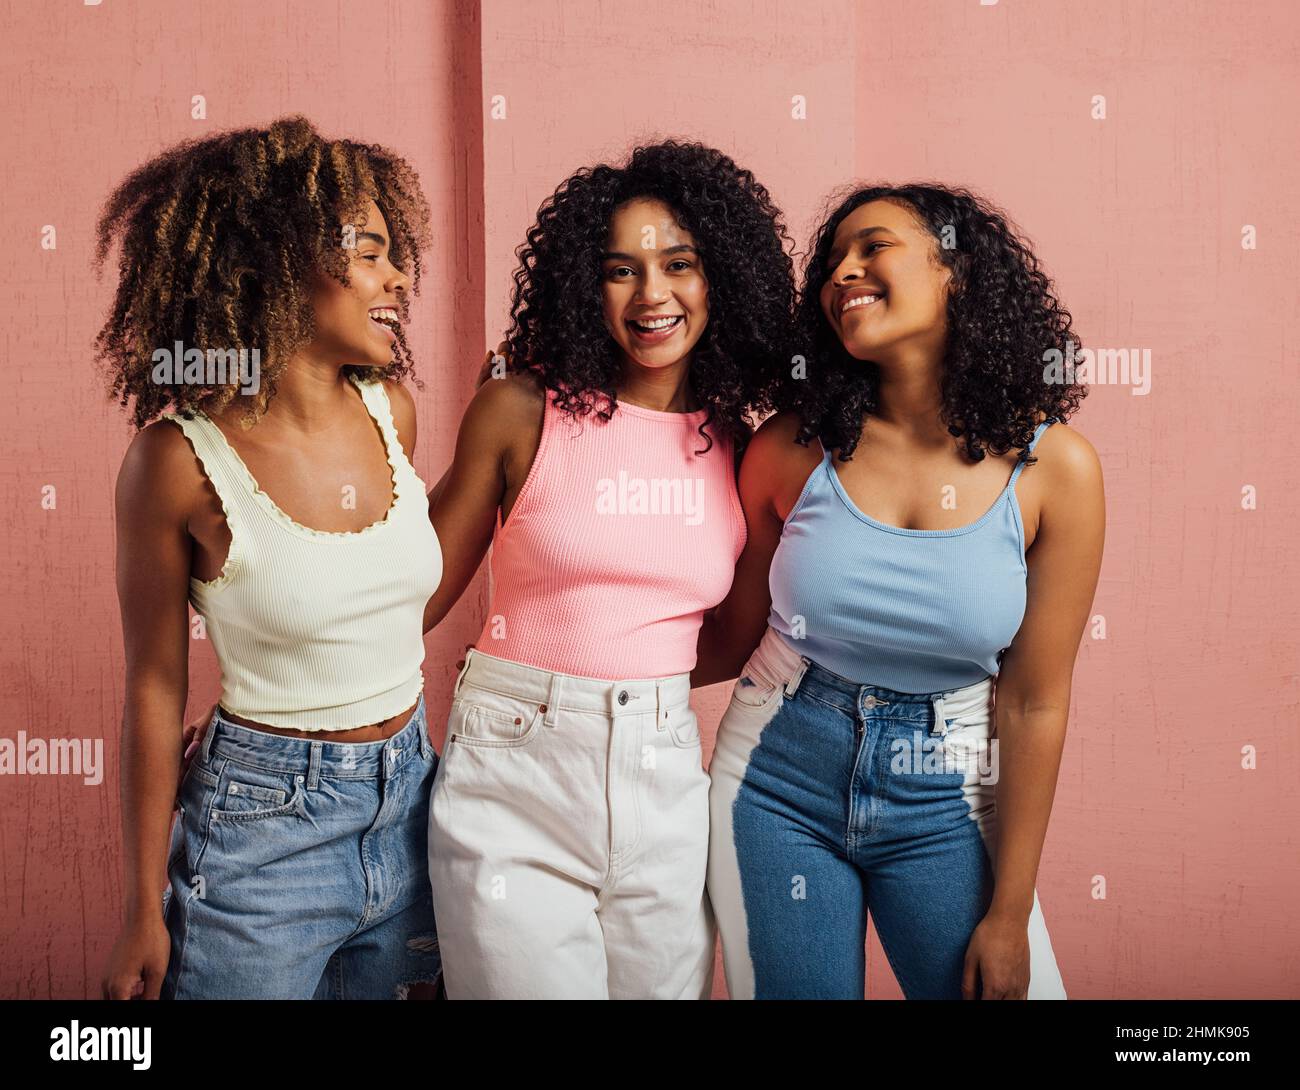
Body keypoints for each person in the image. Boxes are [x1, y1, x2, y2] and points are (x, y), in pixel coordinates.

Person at [697, 183, 1104, 999]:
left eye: (871, 247)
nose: (842, 271)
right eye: (832, 260)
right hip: (776, 773)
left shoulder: (1056, 471)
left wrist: (1010, 911)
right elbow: (730, 631)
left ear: (955, 269)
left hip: (951, 785)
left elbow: (1034, 702)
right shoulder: (789, 448)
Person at [422, 140, 795, 998]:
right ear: (584, 288)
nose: (652, 294)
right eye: (620, 269)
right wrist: (275, 723)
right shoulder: (519, 410)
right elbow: (412, 595)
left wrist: (630, 689)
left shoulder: (737, 449)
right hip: (516, 773)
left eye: (680, 264)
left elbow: (732, 636)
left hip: (665, 778)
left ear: (723, 280)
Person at [97, 117, 445, 1000]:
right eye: (368, 252)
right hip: (260, 836)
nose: (398, 277)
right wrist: (143, 906)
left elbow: (380, 598)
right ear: (277, 262)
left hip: (412, 800)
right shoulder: (177, 462)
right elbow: (152, 686)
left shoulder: (392, 413)